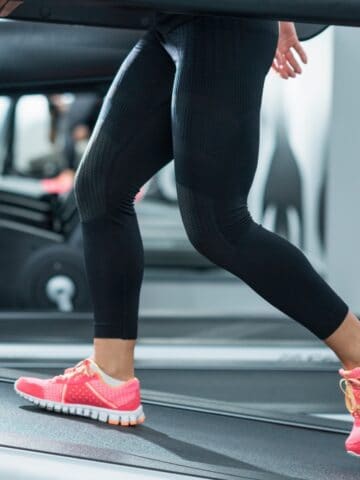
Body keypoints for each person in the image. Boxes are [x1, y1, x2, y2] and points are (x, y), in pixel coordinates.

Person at [14, 14, 360, 454]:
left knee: (218, 226)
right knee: (100, 187)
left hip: (225, 18)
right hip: (173, 20)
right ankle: (109, 375)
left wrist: (280, 9)